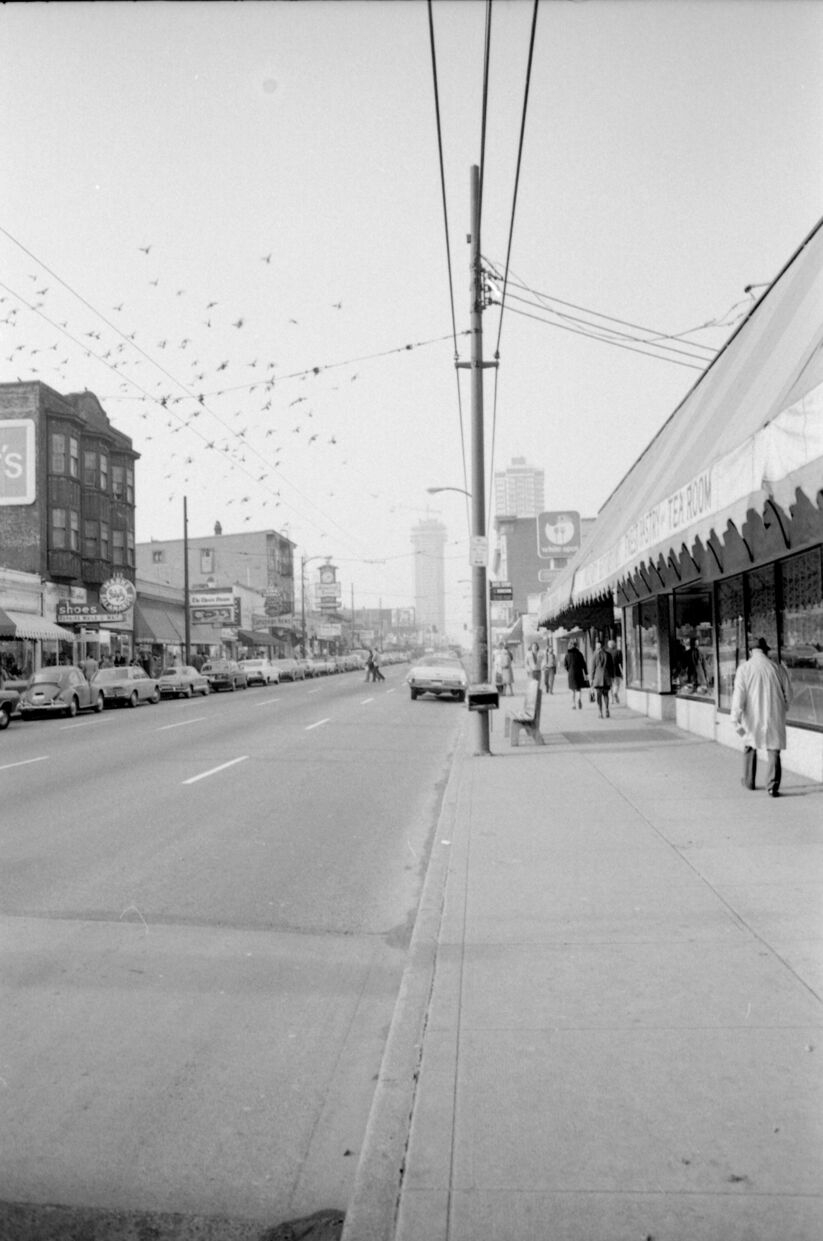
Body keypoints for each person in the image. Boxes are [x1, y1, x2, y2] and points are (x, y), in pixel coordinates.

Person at [731, 637, 792, 797]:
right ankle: (772, 786)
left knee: (749, 745)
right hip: (774, 714)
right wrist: (783, 707)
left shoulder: (744, 669)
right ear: (765, 650)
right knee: (774, 749)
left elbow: (739, 695)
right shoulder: (777, 668)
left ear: (751, 651)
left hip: (752, 715)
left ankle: (749, 781)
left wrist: (735, 717)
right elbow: (788, 693)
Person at [590, 640, 615, 718]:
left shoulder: (594, 655)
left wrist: (591, 679)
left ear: (598, 646)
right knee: (606, 695)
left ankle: (600, 712)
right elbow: (612, 667)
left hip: (598, 679)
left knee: (599, 696)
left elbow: (592, 668)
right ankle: (607, 710)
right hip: (606, 678)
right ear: (603, 646)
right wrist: (612, 677)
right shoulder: (608, 655)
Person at [564, 639, 588, 709]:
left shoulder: (567, 654)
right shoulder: (579, 654)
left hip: (571, 674)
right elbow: (584, 664)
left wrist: (569, 670)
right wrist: (586, 673)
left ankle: (573, 704)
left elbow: (565, 665)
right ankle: (579, 699)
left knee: (572, 690)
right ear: (576, 646)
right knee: (578, 689)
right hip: (579, 673)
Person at [608, 640, 623, 704]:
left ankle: (611, 700)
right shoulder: (618, 652)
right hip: (617, 671)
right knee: (617, 684)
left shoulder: (606, 652)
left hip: (609, 672)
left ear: (609, 645)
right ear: (614, 645)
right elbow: (620, 663)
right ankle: (615, 693)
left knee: (610, 686)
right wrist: (622, 672)